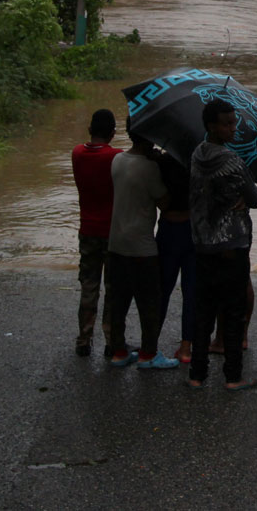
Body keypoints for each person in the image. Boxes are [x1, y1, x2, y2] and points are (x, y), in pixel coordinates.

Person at [188, 98, 257, 390]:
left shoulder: (196, 155)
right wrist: (242, 196)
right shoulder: (231, 160)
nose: (233, 128)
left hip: (203, 242)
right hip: (232, 243)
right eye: (227, 123)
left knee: (203, 308)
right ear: (211, 126)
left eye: (234, 122)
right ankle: (233, 376)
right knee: (233, 310)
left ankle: (197, 374)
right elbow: (254, 198)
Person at [106, 132, 173, 369]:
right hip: (142, 246)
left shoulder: (117, 160)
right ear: (149, 138)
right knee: (149, 303)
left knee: (118, 302)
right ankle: (148, 354)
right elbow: (163, 202)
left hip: (115, 242)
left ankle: (119, 351)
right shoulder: (149, 168)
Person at [70, 109, 122, 357]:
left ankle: (84, 338)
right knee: (113, 287)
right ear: (113, 133)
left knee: (89, 286)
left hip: (87, 230)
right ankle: (111, 341)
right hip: (112, 232)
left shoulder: (77, 153)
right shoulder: (117, 158)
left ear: (90, 130)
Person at [155, 152, 195, 364]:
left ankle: (150, 345)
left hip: (169, 229)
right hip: (192, 230)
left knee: (161, 290)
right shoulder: (198, 162)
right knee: (191, 292)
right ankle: (186, 348)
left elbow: (159, 199)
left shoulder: (162, 162)